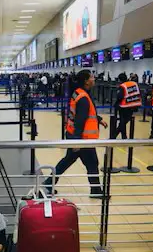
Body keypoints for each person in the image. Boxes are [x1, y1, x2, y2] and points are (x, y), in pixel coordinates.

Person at [43, 70, 108, 198]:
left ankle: (49, 182)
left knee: (70, 161)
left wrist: (99, 120)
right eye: (92, 77)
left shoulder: (78, 93)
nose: (94, 79)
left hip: (76, 136)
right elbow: (80, 120)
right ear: (86, 81)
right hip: (82, 138)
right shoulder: (83, 97)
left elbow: (84, 114)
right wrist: (77, 141)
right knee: (91, 163)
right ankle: (95, 191)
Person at [115, 73, 142, 139]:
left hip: (124, 107)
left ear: (120, 80)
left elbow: (119, 97)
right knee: (124, 122)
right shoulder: (134, 84)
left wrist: (116, 104)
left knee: (122, 123)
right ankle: (121, 136)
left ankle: (115, 135)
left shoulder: (122, 86)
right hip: (132, 106)